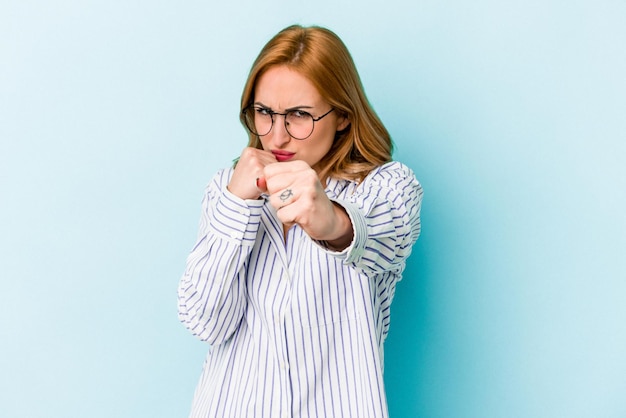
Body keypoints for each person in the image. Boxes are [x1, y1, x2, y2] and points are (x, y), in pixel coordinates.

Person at [178, 24, 423, 418]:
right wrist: (238, 206)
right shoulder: (225, 192)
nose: (277, 137)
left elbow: (377, 236)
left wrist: (331, 223)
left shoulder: (388, 187)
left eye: (299, 115)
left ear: (342, 116)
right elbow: (206, 322)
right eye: (264, 113)